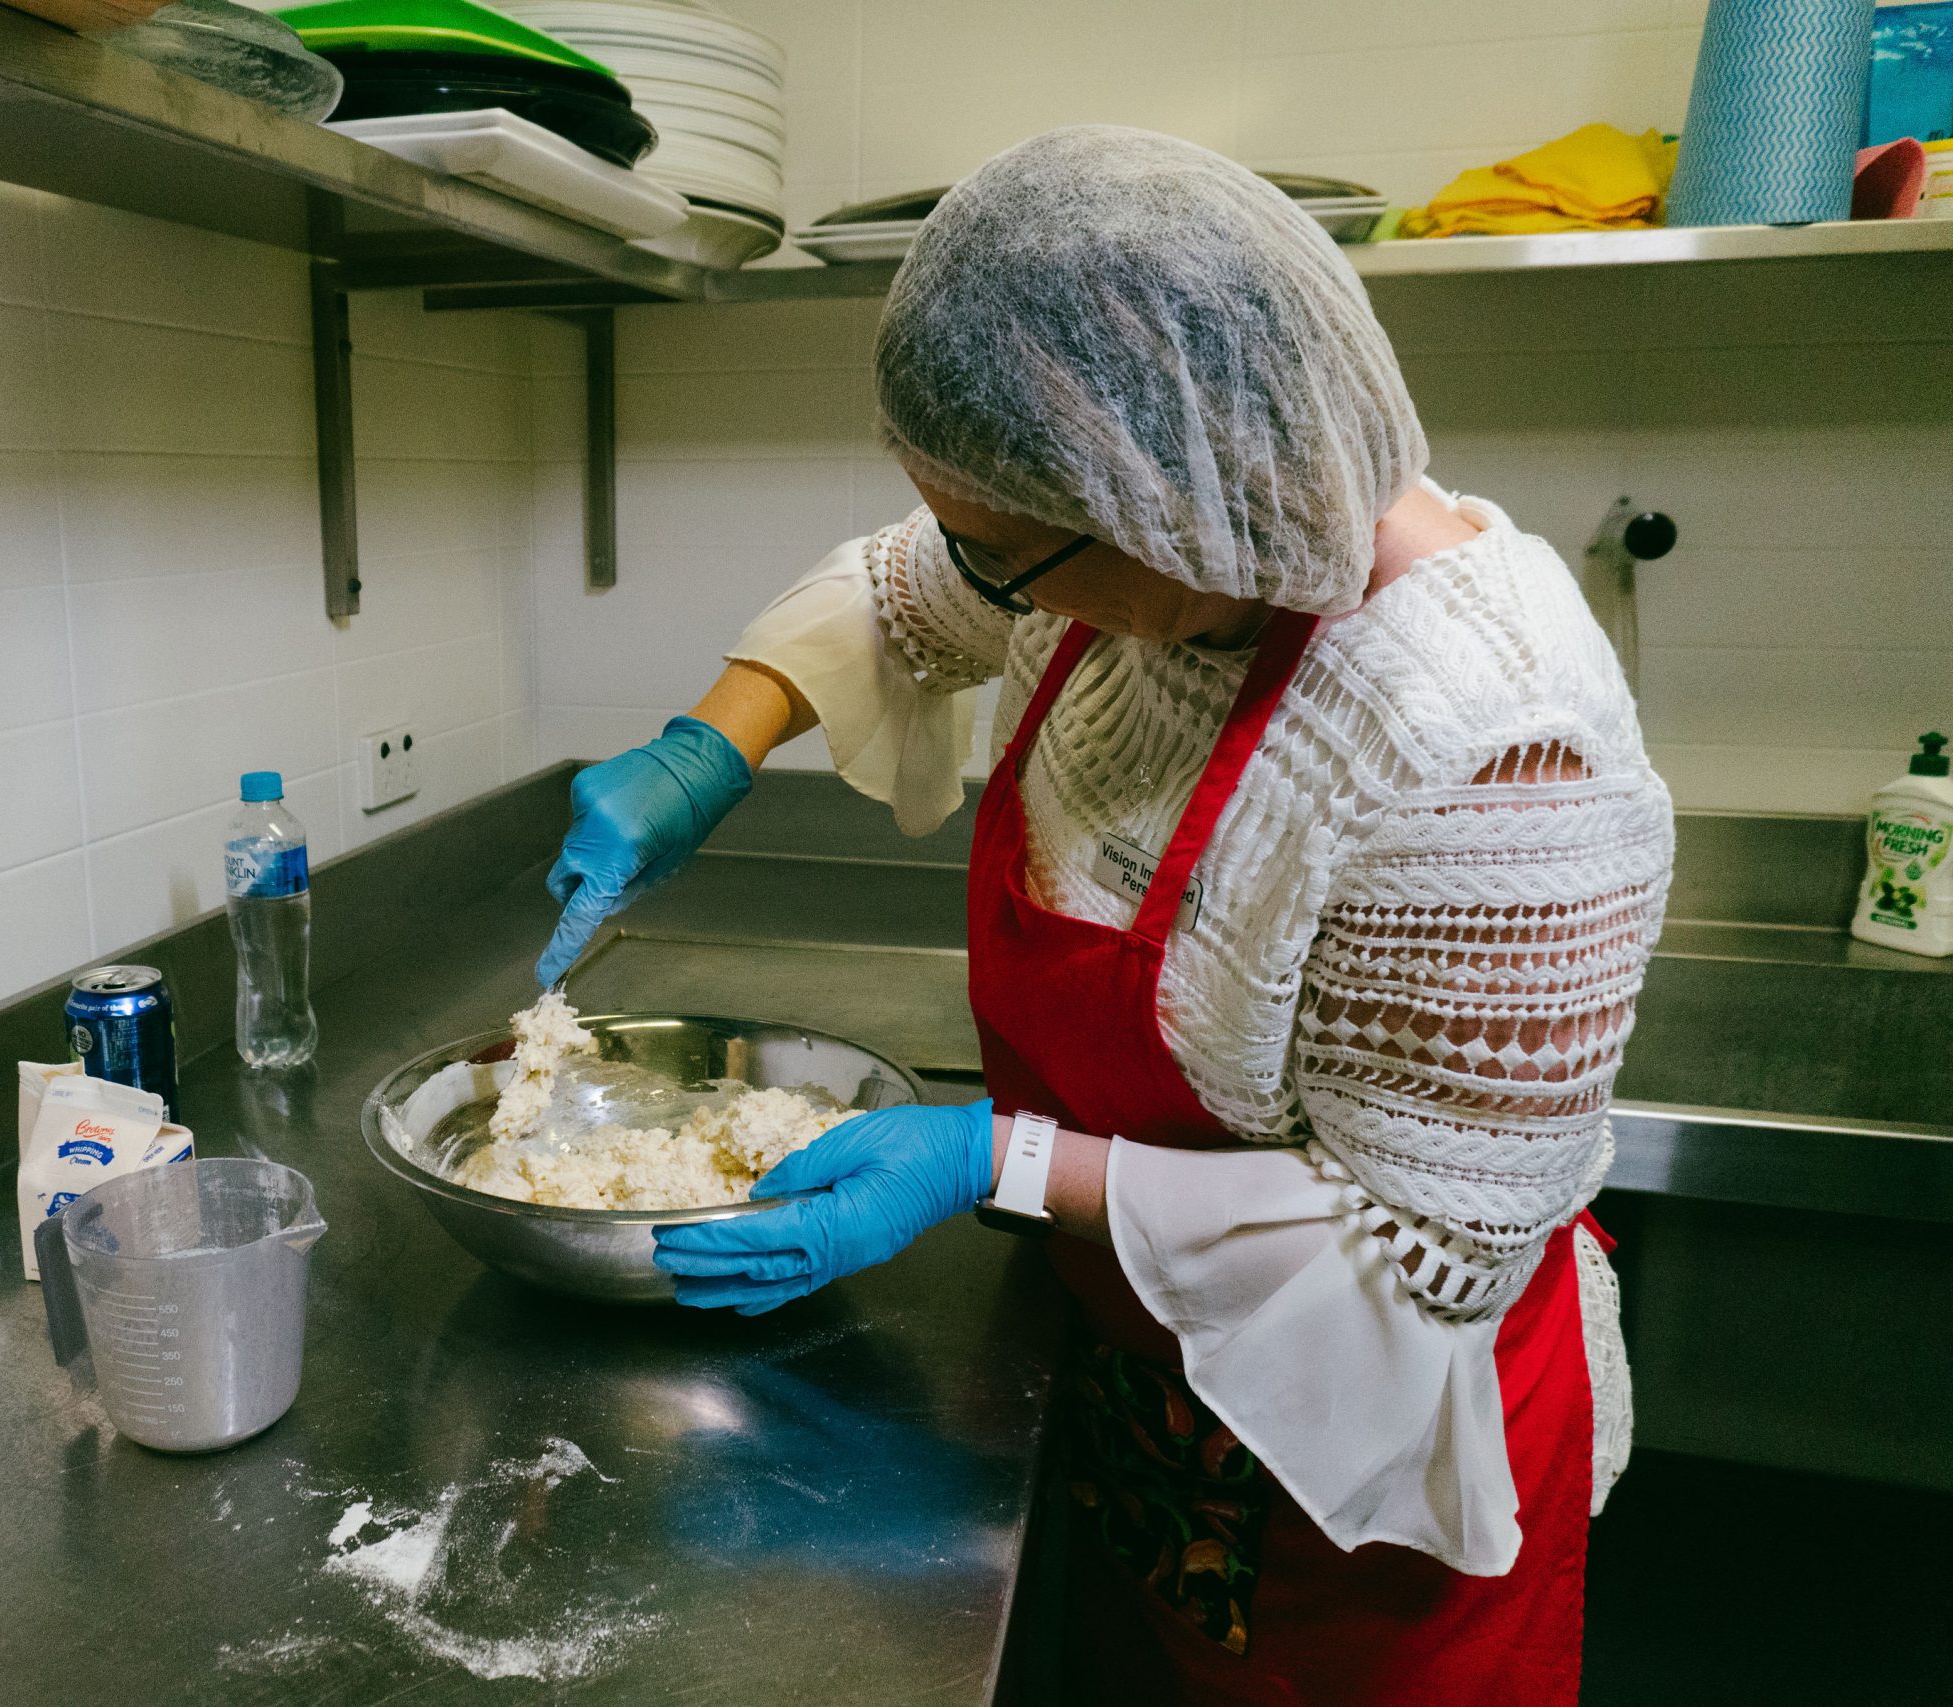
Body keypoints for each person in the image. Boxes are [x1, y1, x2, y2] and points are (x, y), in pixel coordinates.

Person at [535, 128, 1673, 1704]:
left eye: (1005, 562)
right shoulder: (1172, 555)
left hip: (1374, 1481)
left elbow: (1425, 1261)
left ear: (1162, 500)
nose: (976, 594)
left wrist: (986, 1158)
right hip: (1162, 1397)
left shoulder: (1493, 742)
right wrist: (707, 749)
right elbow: (899, 589)